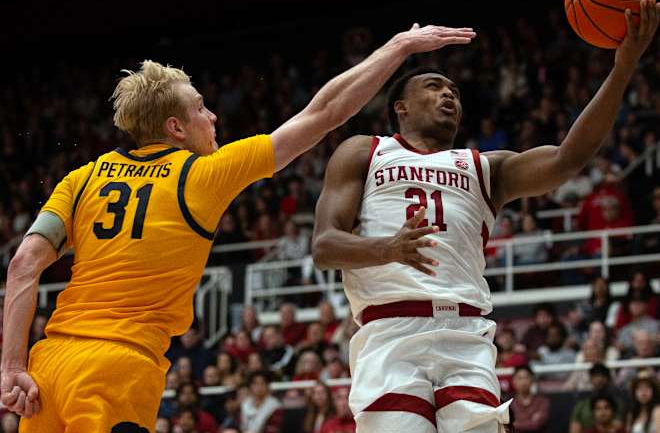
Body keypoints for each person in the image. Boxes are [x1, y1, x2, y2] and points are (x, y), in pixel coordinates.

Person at [1, 23, 472, 430]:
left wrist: (11, 368)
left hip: (49, 364)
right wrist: (398, 48)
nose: (213, 116)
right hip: (116, 368)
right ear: (176, 128)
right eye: (201, 108)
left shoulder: (82, 178)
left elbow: (24, 264)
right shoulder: (201, 174)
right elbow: (324, 114)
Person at [312, 0, 660, 433]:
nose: (448, 95)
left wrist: (622, 67)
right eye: (435, 87)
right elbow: (324, 247)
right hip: (390, 330)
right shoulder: (365, 151)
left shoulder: (485, 167)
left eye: (454, 92)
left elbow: (568, 159)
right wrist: (388, 247)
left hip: (464, 331)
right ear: (400, 106)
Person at [569, 363, 626, 433]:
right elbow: (574, 430)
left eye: (603, 375)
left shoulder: (617, 402)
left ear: (608, 379)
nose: (599, 379)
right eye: (596, 376)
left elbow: (617, 426)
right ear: (591, 379)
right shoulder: (581, 405)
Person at [508, 366, 550, 433]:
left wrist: (515, 423)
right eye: (519, 378)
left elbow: (536, 425)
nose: (523, 382)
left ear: (532, 380)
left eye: (526, 378)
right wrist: (530, 420)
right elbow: (506, 426)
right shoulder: (508, 403)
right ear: (513, 381)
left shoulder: (542, 401)